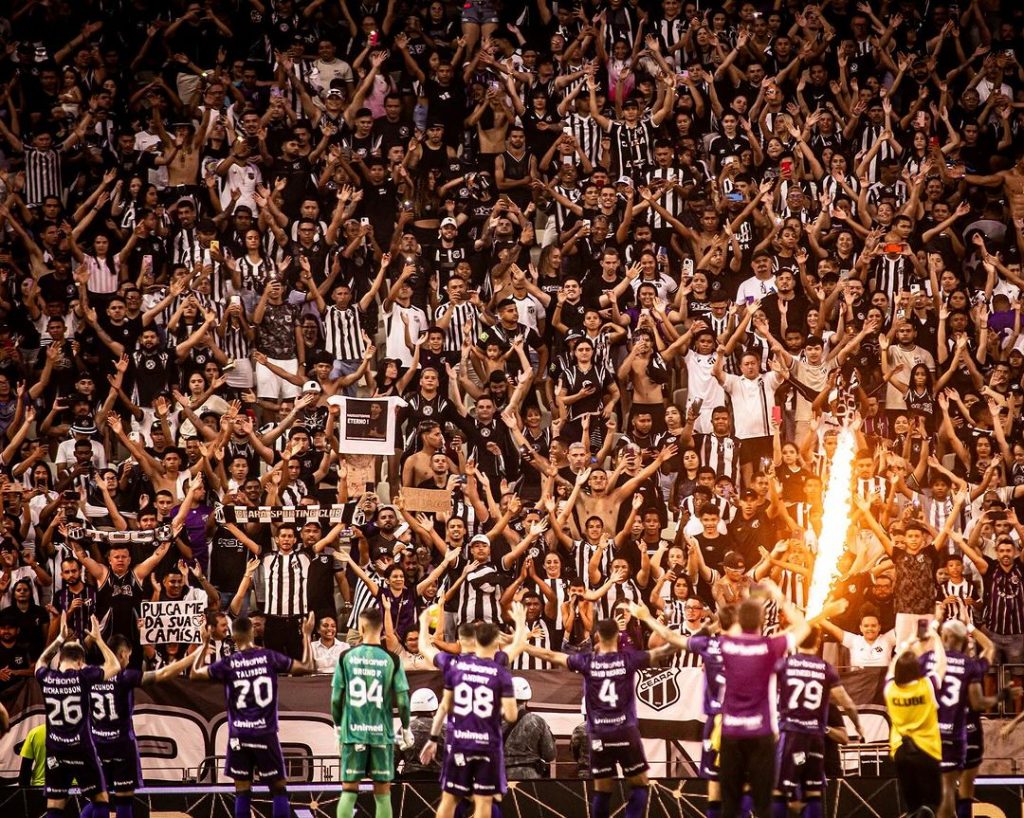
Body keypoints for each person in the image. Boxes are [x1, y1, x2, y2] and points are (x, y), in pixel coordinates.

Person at [515, 617, 677, 818]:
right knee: (640, 783)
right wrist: (650, 618)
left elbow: (550, 655)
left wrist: (521, 645)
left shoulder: (588, 662)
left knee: (602, 789)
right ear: (618, 636)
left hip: (599, 733)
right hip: (625, 730)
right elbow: (665, 650)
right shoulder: (628, 659)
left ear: (598, 636)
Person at [189, 612, 316, 818]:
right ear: (253, 632)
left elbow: (194, 673)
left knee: (242, 791)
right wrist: (307, 635)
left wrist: (204, 642)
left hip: (239, 734)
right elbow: (308, 667)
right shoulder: (268, 657)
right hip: (265, 732)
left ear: (234, 635)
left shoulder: (229, 662)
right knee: (278, 789)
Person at [419, 621, 519, 818]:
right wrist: (520, 625)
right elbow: (517, 646)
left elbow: (443, 706)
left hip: (458, 742)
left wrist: (423, 624)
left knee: (450, 801)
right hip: (486, 744)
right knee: (485, 802)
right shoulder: (497, 664)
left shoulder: (453, 665)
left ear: (459, 641)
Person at [91, 635, 194, 818]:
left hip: (97, 744)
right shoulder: (126, 676)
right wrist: (193, 656)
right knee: (124, 799)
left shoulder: (90, 675)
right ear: (122, 654)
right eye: (128, 656)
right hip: (121, 744)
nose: (129, 659)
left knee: (99, 798)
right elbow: (163, 673)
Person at [34, 614, 120, 818]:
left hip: (55, 749)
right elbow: (115, 666)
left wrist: (59, 639)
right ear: (81, 662)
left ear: (60, 659)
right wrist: (99, 640)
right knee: (101, 799)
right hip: (82, 748)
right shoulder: (83, 676)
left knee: (55, 805)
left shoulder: (46, 677)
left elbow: (40, 662)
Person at [333, 606, 414, 818]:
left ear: (361, 626)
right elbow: (404, 701)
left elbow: (335, 698)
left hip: (353, 732)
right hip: (381, 733)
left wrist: (337, 725)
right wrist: (406, 728)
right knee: (383, 791)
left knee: (349, 790)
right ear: (381, 629)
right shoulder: (393, 660)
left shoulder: (345, 657)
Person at [884, 619, 946, 817]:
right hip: (927, 751)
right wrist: (935, 636)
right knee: (932, 806)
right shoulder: (926, 686)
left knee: (912, 808)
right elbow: (941, 665)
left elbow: (892, 666)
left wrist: (909, 642)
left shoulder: (889, 690)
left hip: (901, 753)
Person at [503, 676, 556, 780]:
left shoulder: (493, 722)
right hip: (530, 779)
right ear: (527, 699)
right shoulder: (537, 721)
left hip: (500, 778)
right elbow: (549, 755)